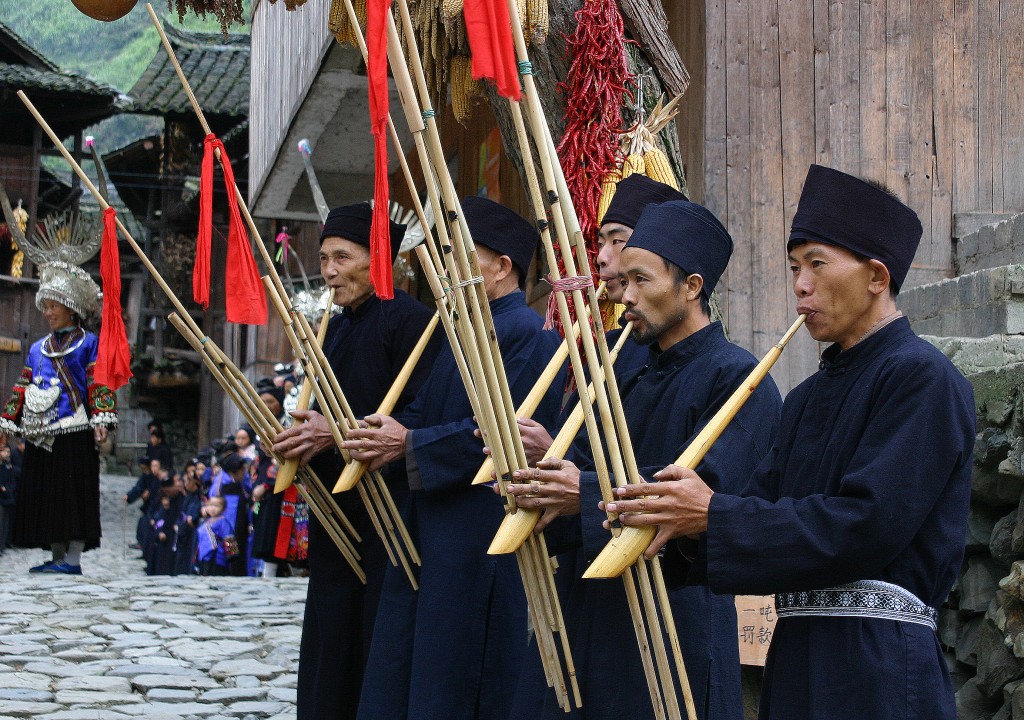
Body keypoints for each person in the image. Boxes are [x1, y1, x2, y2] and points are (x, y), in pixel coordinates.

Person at [607, 165, 975, 720]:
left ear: (877, 276)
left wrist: (713, 516)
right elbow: (759, 505)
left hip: (877, 669)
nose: (801, 285)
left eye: (818, 265)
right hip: (796, 661)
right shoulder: (805, 398)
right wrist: (671, 525)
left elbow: (865, 525)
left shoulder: (923, 378)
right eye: (795, 267)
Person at [505, 199, 783, 719]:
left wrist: (583, 493)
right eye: (624, 279)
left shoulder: (740, 381)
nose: (625, 296)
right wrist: (537, 486)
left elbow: (701, 499)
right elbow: (576, 470)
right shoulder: (619, 372)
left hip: (675, 623)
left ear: (692, 287)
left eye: (641, 280)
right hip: (587, 614)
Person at [343, 196, 565, 720]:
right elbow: (421, 411)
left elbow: (503, 440)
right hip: (428, 527)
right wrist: (383, 435)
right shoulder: (460, 332)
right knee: (408, 668)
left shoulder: (529, 336)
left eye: (458, 255)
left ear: (502, 266)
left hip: (478, 535)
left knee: (461, 676)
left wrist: (410, 444)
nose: (445, 269)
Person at [271, 202, 441, 720]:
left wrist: (339, 434)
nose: (328, 271)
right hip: (335, 508)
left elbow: (416, 413)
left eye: (342, 257)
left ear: (379, 258)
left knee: (371, 633)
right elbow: (321, 411)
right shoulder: (336, 325)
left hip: (387, 509)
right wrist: (299, 434)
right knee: (329, 629)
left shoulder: (412, 322)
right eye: (323, 258)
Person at [0, 257, 117, 575]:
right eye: (46, 307)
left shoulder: (88, 344)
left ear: (71, 308)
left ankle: (73, 560)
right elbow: (23, 383)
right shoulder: (38, 348)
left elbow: (97, 381)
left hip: (75, 429)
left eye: (54, 306)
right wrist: (9, 422)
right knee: (47, 495)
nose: (48, 312)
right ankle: (55, 556)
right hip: (40, 431)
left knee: (73, 495)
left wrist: (101, 418)